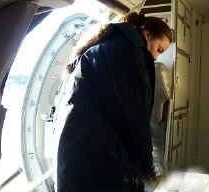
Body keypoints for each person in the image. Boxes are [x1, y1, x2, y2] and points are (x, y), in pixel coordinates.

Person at [57, 12, 172, 192]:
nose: (157, 57)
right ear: (147, 34)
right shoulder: (126, 52)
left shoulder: (110, 46)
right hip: (92, 159)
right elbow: (132, 118)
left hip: (82, 155)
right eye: (159, 49)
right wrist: (147, 167)